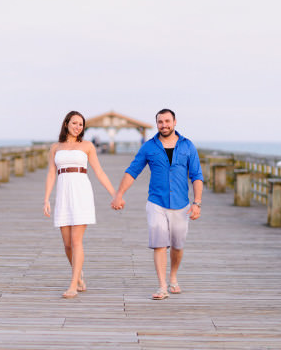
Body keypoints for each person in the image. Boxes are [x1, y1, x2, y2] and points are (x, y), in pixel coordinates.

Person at [111, 108, 203, 300]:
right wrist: (119, 194)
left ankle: (173, 277)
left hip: (181, 204)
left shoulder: (188, 146)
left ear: (175, 122)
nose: (164, 125)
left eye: (167, 121)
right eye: (160, 122)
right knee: (159, 244)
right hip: (156, 202)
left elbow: (196, 176)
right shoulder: (149, 147)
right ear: (157, 124)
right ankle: (162, 286)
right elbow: (132, 171)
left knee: (177, 246)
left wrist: (197, 203)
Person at [43, 111, 117, 298]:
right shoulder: (55, 147)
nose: (78, 127)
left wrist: (115, 194)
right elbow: (52, 174)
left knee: (76, 242)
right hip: (63, 194)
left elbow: (99, 172)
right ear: (66, 123)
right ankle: (80, 276)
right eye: (74, 123)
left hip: (81, 193)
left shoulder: (87, 146)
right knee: (67, 244)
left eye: (81, 124)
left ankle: (73, 285)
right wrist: (46, 199)